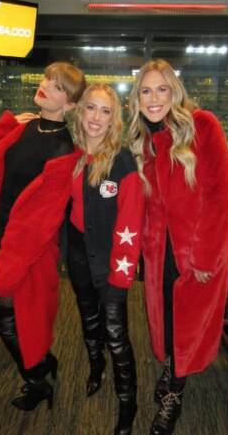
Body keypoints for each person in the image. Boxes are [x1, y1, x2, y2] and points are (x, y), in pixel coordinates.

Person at [128, 59, 228, 435]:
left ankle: (176, 390)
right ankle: (172, 368)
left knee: (187, 327)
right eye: (145, 90)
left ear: (175, 92)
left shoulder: (202, 125)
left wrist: (204, 256)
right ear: (136, 98)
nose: (154, 98)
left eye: (161, 89)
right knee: (168, 321)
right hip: (159, 255)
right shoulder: (141, 141)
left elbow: (219, 195)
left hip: (197, 253)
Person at [0, 62, 86, 411]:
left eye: (57, 87)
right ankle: (44, 364)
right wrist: (9, 126)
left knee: (6, 317)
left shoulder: (65, 150)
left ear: (68, 105)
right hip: (0, 233)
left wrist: (13, 259)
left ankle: (38, 382)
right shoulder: (24, 127)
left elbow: (43, 219)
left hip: (28, 249)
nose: (46, 87)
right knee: (15, 317)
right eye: (47, 79)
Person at [66, 83, 144, 434]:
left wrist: (121, 274)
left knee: (116, 333)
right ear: (79, 111)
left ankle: (128, 402)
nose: (96, 118)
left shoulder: (122, 160)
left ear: (114, 120)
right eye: (91, 108)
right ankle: (96, 368)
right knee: (88, 320)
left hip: (114, 258)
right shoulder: (70, 153)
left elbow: (131, 222)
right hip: (79, 251)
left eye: (105, 111)